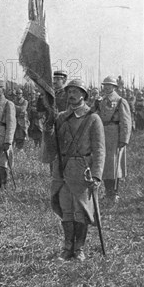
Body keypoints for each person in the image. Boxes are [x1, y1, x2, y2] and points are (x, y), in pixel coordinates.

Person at [42, 79, 105, 262]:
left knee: (81, 211)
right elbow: (53, 147)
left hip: (82, 170)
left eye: (75, 91)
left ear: (84, 95)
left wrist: (96, 175)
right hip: (62, 170)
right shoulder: (61, 117)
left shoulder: (93, 118)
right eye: (69, 91)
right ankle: (67, 247)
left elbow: (99, 150)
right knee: (66, 210)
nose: (71, 95)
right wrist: (48, 128)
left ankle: (79, 249)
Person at [96, 76, 132, 203]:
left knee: (115, 165)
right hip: (102, 134)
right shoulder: (100, 100)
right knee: (105, 164)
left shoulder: (121, 101)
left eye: (109, 85)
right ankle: (108, 192)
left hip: (114, 135)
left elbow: (126, 122)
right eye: (105, 85)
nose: (106, 87)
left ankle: (114, 193)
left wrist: (124, 139)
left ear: (114, 87)